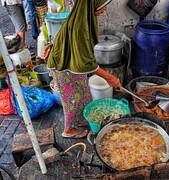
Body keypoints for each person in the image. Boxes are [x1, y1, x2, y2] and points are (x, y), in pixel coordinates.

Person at [45, 0, 121, 138]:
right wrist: (111, 78)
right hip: (64, 65)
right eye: (103, 7)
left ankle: (81, 120)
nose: (104, 10)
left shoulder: (82, 18)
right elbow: (84, 64)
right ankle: (68, 130)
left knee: (83, 94)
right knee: (72, 99)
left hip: (71, 61)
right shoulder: (80, 26)